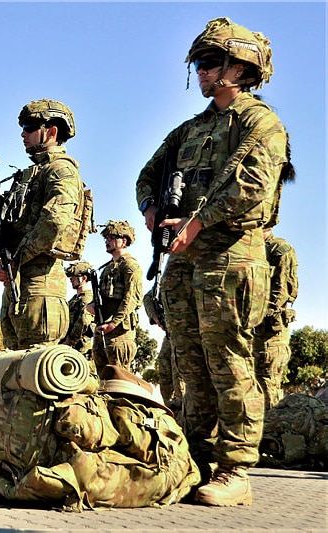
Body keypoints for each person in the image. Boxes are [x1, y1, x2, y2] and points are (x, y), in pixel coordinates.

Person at [135, 18, 292, 506]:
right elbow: (149, 173)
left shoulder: (259, 123)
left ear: (241, 67)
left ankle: (236, 467)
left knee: (228, 358)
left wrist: (199, 223)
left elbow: (254, 183)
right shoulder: (191, 128)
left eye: (210, 63)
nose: (200, 72)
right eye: (199, 64)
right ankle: (196, 457)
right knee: (189, 358)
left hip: (231, 253)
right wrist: (152, 208)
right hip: (182, 256)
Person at [0, 99, 89, 350]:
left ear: (52, 132)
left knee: (37, 372)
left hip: (41, 284)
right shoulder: (33, 174)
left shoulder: (61, 169)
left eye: (30, 127)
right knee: (12, 370)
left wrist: (17, 258)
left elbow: (55, 221)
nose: (23, 133)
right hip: (19, 283)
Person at [253, 230, 298, 410]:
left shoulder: (280, 250)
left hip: (270, 335)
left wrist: (253, 316)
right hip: (254, 333)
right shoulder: (253, 251)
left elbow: (282, 293)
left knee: (267, 386)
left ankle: (271, 435)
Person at [90, 221, 142, 375]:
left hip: (119, 331)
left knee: (119, 377)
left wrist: (113, 324)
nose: (107, 241)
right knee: (102, 378)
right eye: (106, 238)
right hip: (102, 327)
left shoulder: (130, 265)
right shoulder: (106, 268)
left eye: (111, 237)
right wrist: (92, 305)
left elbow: (131, 299)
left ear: (123, 241)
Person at [142, 288, 184, 414]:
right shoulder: (167, 279)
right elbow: (149, 296)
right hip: (171, 332)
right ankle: (171, 409)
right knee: (164, 364)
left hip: (188, 331)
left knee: (178, 369)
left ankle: (183, 410)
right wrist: (156, 317)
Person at [61, 261, 95, 356]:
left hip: (80, 350)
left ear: (84, 278)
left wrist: (68, 342)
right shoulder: (73, 300)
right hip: (69, 348)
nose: (71, 280)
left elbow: (84, 324)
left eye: (74, 277)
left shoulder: (88, 299)